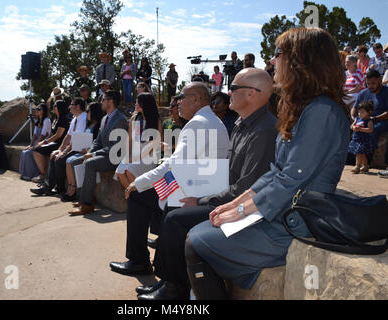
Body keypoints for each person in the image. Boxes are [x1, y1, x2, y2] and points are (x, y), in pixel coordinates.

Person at [184, 27, 350, 300]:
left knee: (197, 240)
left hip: (293, 222)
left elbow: (290, 180)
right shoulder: (306, 108)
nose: (273, 61)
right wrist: (232, 205)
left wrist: (239, 210)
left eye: (279, 54)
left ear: (302, 61)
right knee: (198, 235)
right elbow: (275, 172)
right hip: (281, 213)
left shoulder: (321, 111)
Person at [137, 68, 278, 300]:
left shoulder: (262, 130)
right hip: (227, 193)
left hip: (245, 206)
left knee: (175, 219)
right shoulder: (244, 124)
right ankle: (169, 283)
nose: (226, 93)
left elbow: (247, 187)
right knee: (175, 205)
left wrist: (201, 199)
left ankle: (175, 288)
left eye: (234, 88)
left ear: (252, 94)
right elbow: (227, 174)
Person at [109, 82, 230, 278]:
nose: (178, 102)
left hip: (193, 188)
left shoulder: (198, 123)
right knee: (150, 194)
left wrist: (138, 182)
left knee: (137, 194)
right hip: (198, 183)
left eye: (182, 97)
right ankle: (150, 258)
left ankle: (139, 261)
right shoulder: (211, 120)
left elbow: (173, 165)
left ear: (197, 99)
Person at [69, 90, 128, 215]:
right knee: (75, 161)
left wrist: (93, 154)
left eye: (103, 99)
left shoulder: (120, 120)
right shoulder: (104, 118)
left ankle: (87, 205)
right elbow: (98, 141)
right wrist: (90, 151)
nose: (101, 102)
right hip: (104, 154)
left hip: (115, 157)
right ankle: (86, 197)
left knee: (90, 163)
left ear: (110, 101)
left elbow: (115, 147)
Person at [31, 98, 88, 196]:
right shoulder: (75, 118)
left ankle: (54, 187)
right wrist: (59, 150)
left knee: (59, 159)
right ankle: (52, 187)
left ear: (78, 107)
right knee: (54, 156)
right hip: (74, 146)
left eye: (72, 104)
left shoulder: (83, 117)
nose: (69, 106)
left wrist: (64, 152)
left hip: (81, 147)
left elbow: (77, 140)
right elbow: (68, 136)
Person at [116, 93, 162, 190]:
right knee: (119, 172)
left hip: (149, 156)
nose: (135, 104)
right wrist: (128, 155)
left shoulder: (156, 121)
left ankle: (137, 198)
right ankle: (133, 197)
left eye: (138, 102)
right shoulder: (134, 118)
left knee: (129, 171)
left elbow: (153, 147)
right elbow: (130, 139)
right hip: (134, 153)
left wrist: (136, 158)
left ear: (145, 104)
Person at [63, 102, 105, 202]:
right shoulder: (89, 124)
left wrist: (88, 150)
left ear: (94, 112)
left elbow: (98, 143)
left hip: (90, 152)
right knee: (68, 161)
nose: (86, 113)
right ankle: (71, 188)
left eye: (88, 111)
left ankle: (74, 190)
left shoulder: (98, 125)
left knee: (72, 161)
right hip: (83, 150)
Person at [352, 70, 388, 167]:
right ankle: (351, 158)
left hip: (382, 121)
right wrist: (354, 118)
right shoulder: (363, 93)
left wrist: (374, 118)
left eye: (373, 83)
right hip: (363, 120)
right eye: (368, 83)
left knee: (373, 130)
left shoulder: (386, 92)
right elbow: (354, 108)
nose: (370, 86)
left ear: (380, 80)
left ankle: (368, 158)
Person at [32, 100, 70, 184]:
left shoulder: (63, 119)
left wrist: (44, 142)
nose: (53, 107)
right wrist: (43, 142)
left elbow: (58, 135)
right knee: (37, 148)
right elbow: (51, 134)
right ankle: (43, 174)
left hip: (60, 145)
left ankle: (43, 175)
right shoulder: (56, 119)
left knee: (36, 150)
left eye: (55, 106)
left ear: (59, 108)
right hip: (54, 143)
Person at [19, 103, 52, 181]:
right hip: (37, 142)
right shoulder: (38, 121)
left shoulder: (47, 120)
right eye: (36, 109)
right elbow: (34, 135)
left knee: (28, 153)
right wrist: (30, 145)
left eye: (39, 109)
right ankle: (25, 174)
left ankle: (32, 174)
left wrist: (34, 146)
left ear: (43, 111)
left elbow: (42, 136)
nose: (37, 110)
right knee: (25, 151)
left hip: (44, 143)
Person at [348, 101, 375, 174]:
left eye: (362, 112)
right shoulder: (357, 119)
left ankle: (357, 166)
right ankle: (365, 166)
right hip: (356, 139)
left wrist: (360, 129)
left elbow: (370, 130)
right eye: (359, 112)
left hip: (364, 140)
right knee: (361, 153)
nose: (360, 114)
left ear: (369, 112)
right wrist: (354, 127)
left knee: (358, 152)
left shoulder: (369, 121)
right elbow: (351, 126)